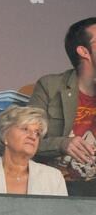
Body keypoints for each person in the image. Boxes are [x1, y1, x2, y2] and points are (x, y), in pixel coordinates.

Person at [28, 17, 96, 183]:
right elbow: (25, 140)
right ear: (84, 52)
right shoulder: (50, 86)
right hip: (58, 187)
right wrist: (62, 144)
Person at [0, 106, 67, 196]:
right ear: (4, 136)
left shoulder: (53, 177)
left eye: (37, 133)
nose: (33, 137)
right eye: (25, 129)